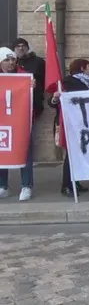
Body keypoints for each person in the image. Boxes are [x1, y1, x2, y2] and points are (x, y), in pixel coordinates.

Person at [48, 59, 89, 197]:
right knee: (71, 155)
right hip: (71, 124)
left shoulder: (87, 82)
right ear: (83, 68)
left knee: (78, 154)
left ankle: (75, 182)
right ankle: (67, 185)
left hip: (82, 124)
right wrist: (55, 98)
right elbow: (52, 102)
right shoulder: (68, 82)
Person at [0, 47, 37, 201]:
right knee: (2, 151)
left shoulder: (24, 76)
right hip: (3, 121)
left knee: (25, 152)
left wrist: (32, 88)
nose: (10, 63)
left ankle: (26, 186)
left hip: (21, 121)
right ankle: (3, 186)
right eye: (7, 60)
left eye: (12, 59)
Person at [12, 38, 45, 121]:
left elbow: (45, 80)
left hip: (33, 101)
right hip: (13, 102)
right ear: (14, 49)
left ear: (27, 48)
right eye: (18, 46)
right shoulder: (10, 62)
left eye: (23, 46)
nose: (20, 48)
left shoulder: (38, 62)